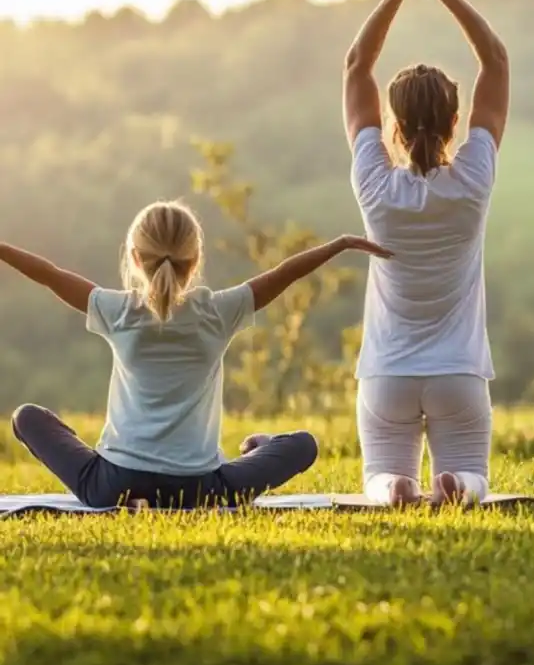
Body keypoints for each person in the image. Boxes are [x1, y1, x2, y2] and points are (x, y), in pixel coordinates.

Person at [2, 200, 391, 508]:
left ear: (135, 259)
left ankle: (128, 484)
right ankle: (261, 448)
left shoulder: (117, 310)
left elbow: (49, 273)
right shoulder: (218, 311)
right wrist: (339, 245)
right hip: (200, 491)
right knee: (302, 444)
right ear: (196, 258)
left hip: (114, 484)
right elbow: (285, 273)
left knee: (27, 418)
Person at [343, 0, 509, 506]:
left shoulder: (375, 184)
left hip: (386, 372)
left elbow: (357, 66)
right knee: (475, 476)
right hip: (458, 373)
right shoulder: (472, 178)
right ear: (455, 121)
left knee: (377, 478)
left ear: (392, 123)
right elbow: (495, 61)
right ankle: (456, 486)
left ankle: (396, 491)